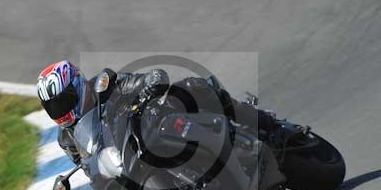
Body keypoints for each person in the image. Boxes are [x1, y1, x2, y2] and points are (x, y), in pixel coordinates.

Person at [36, 60, 276, 165]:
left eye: (63, 101)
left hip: (156, 126)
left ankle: (259, 119)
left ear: (77, 85)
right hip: (131, 164)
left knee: (194, 87)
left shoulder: (105, 86)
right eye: (53, 106)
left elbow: (152, 77)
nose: (60, 110)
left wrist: (150, 87)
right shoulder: (66, 138)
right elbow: (90, 169)